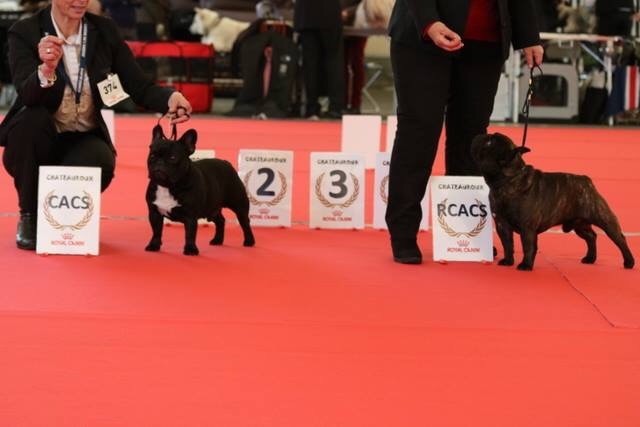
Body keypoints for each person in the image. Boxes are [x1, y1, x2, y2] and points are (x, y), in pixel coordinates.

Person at [0, 0, 192, 250]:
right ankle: (28, 215)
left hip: (82, 135)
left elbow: (137, 84)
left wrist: (169, 98)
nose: (81, 1)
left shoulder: (104, 30)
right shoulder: (25, 31)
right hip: (38, 135)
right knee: (31, 120)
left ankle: (64, 214)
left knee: (100, 161)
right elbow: (27, 94)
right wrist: (46, 70)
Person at [385, 0, 544, 264]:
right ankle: (403, 232)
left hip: (486, 43)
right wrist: (429, 22)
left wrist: (528, 36)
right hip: (422, 39)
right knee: (419, 132)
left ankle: (465, 230)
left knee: (473, 139)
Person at [293, 0, 345, 119]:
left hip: (306, 14)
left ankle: (311, 108)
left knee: (310, 64)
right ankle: (335, 108)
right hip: (330, 13)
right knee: (334, 62)